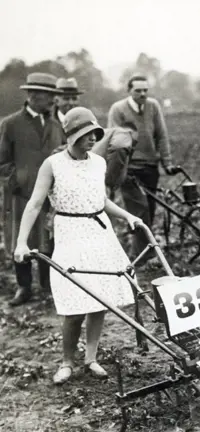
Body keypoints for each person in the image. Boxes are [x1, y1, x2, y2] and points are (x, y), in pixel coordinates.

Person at [13, 107, 143, 384]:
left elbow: (102, 201)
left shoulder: (98, 163)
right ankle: (67, 361)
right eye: (85, 135)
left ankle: (91, 358)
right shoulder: (53, 164)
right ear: (71, 136)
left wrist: (128, 215)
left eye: (94, 135)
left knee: (99, 301)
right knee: (74, 305)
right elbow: (35, 203)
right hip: (70, 233)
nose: (91, 140)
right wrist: (22, 242)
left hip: (100, 234)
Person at [0, 73, 65, 306]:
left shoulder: (57, 125)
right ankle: (24, 287)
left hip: (49, 196)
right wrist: (16, 181)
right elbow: (2, 162)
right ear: (33, 95)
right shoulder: (10, 124)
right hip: (21, 195)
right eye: (50, 96)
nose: (53, 101)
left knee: (48, 240)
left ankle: (48, 286)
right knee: (22, 237)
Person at [107, 75, 173, 260]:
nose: (142, 94)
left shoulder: (153, 106)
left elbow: (161, 134)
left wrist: (166, 162)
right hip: (129, 169)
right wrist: (120, 169)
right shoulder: (118, 110)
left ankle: (146, 250)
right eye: (138, 90)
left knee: (149, 210)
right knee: (138, 210)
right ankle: (140, 256)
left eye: (145, 90)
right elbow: (115, 142)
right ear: (129, 91)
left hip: (150, 166)